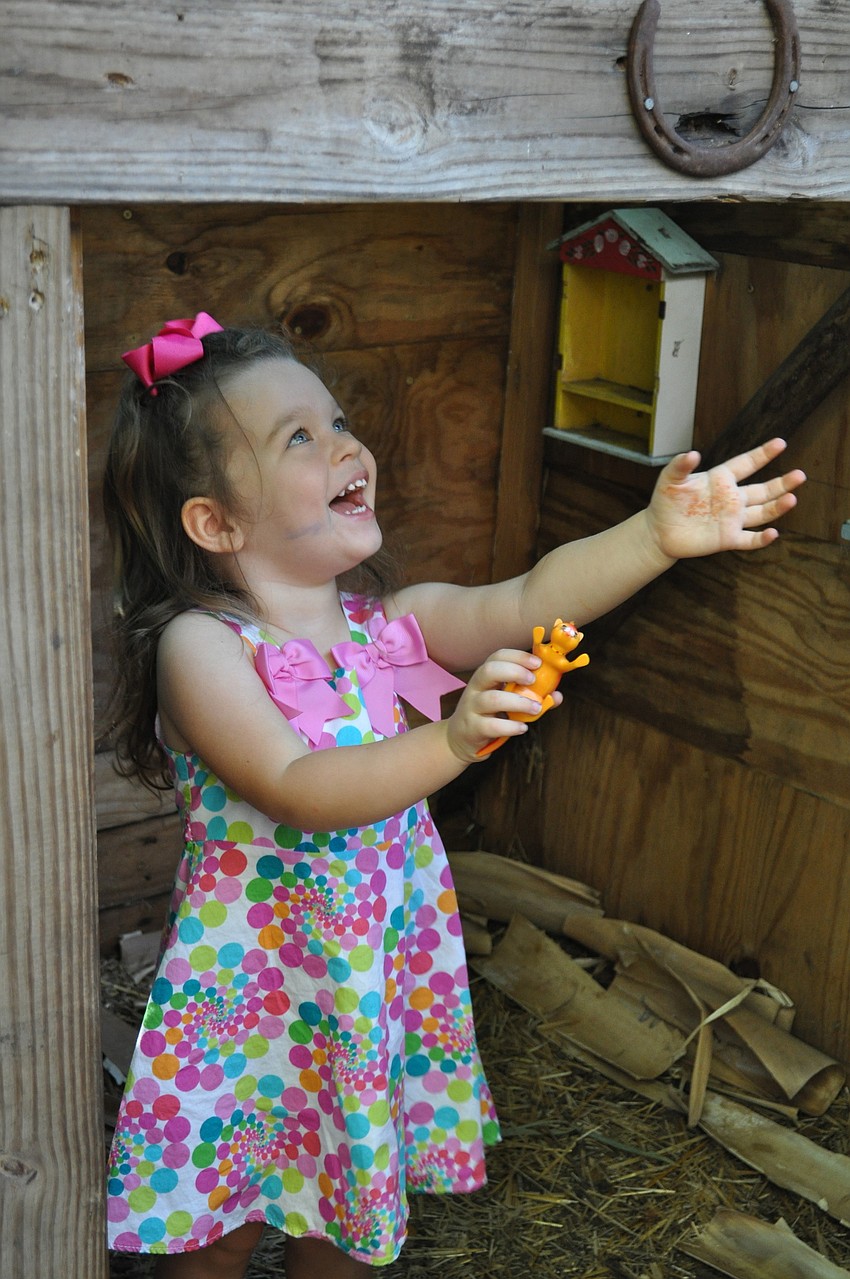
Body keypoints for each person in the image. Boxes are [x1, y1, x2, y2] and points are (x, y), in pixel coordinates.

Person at [103, 313, 805, 1278]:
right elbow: (298, 786)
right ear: (215, 522)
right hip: (252, 1002)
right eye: (298, 436)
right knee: (217, 1233)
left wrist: (652, 536)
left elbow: (526, 601)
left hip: (363, 989)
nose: (346, 444)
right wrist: (449, 739)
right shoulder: (203, 648)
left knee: (347, 1210)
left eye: (337, 419)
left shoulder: (389, 625)